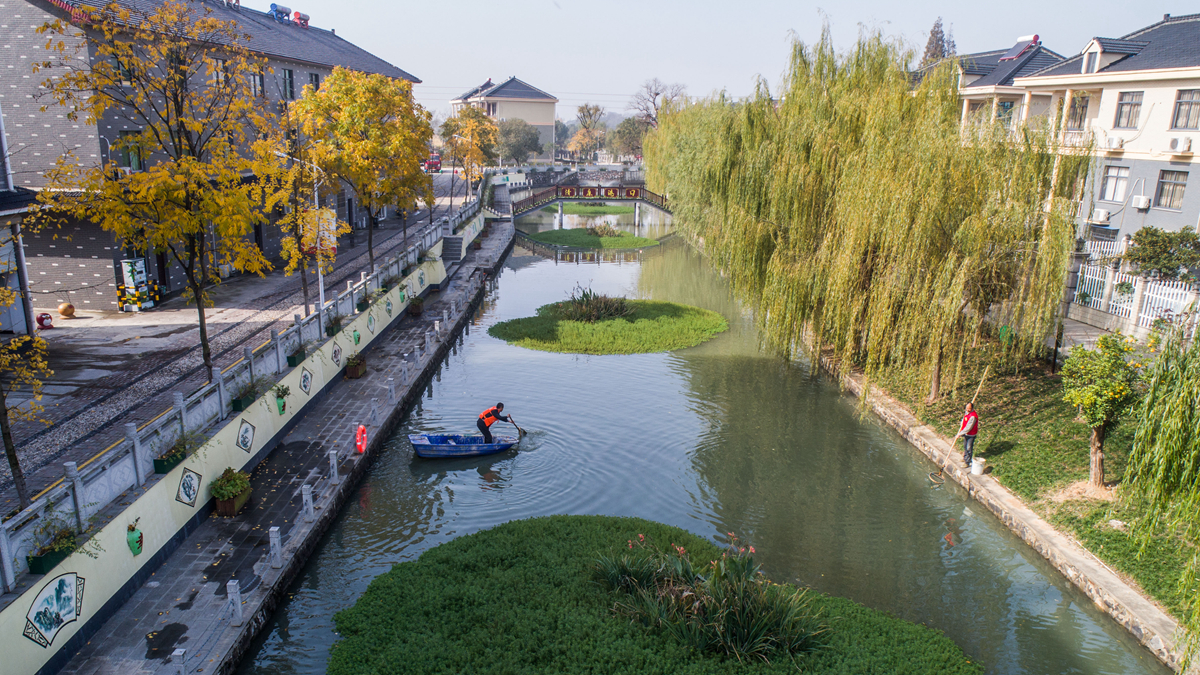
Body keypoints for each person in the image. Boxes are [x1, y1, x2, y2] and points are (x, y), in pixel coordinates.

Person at [953, 402, 979, 468]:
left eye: (969, 408)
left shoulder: (973, 416)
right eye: (967, 408)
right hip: (966, 434)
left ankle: (967, 462)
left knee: (968, 447)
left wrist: (959, 434)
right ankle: (965, 457)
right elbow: (964, 419)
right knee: (965, 446)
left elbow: (968, 428)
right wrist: (962, 423)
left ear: (972, 408)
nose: (967, 410)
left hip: (971, 434)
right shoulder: (967, 413)